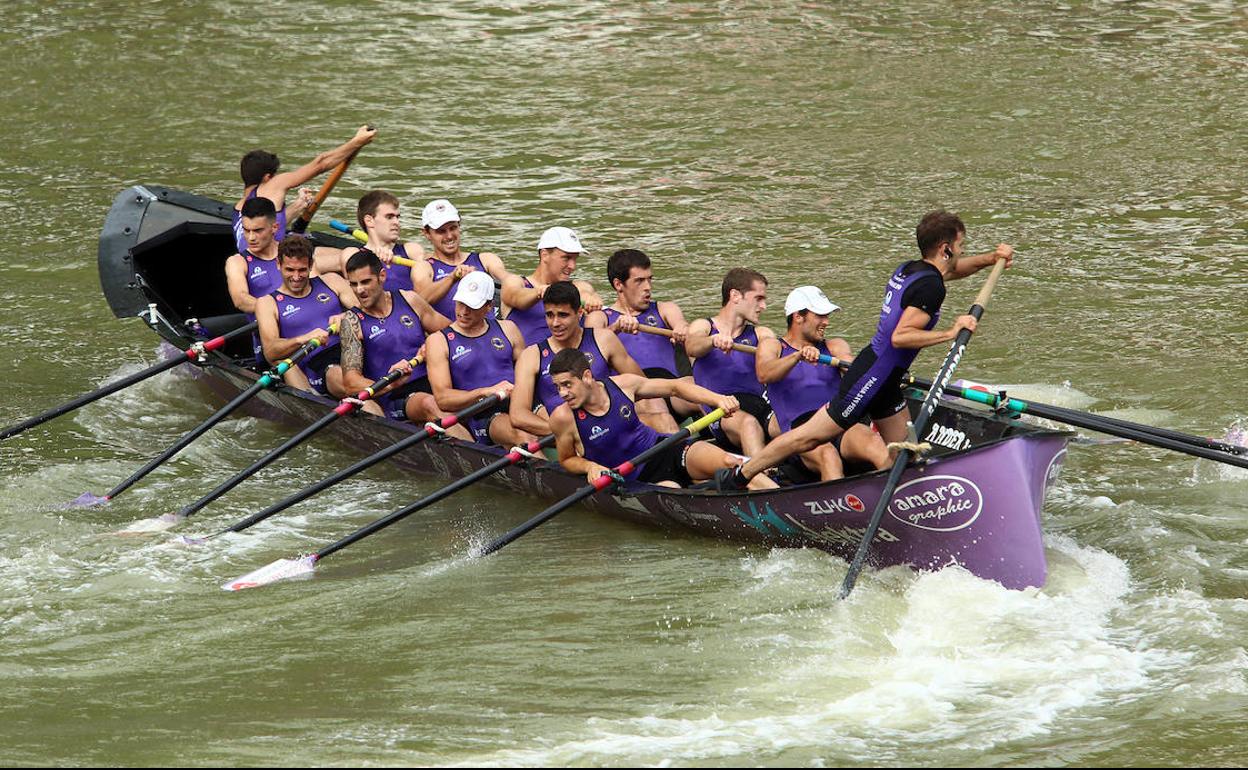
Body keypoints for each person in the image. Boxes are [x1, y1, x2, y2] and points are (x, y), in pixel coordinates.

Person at [718, 210, 1014, 489]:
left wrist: (991, 258)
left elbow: (953, 270)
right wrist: (951, 332)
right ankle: (741, 476)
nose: (963, 252)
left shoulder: (913, 270)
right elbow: (901, 337)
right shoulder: (931, 288)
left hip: (886, 379)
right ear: (946, 249)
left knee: (905, 455)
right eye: (961, 246)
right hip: (871, 377)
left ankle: (900, 504)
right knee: (806, 439)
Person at [547, 349, 776, 490]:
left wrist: (718, 399)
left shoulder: (624, 385)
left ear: (587, 377)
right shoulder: (563, 418)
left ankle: (783, 503)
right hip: (635, 478)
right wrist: (590, 466)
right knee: (675, 492)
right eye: (558, 387)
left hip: (665, 449)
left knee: (732, 464)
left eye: (567, 384)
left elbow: (676, 388)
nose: (563, 394)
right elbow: (566, 459)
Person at [756, 286, 889, 481]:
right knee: (828, 456)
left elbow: (851, 365)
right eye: (820, 315)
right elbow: (764, 373)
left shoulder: (834, 346)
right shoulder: (773, 346)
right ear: (798, 317)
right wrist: (797, 357)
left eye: (827, 315)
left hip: (836, 419)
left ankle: (901, 496)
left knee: (873, 442)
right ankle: (840, 508)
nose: (826, 321)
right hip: (799, 432)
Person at [509, 282, 670, 438]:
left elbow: (642, 385)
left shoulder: (603, 339)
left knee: (664, 420)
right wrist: (567, 433)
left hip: (613, 422)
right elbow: (518, 415)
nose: (555, 323)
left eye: (563, 315)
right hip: (571, 435)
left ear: (579, 313)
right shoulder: (531, 356)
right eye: (549, 315)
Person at [339, 249, 451, 421]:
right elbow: (350, 383)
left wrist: (433, 344)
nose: (359, 290)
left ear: (382, 276)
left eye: (365, 282)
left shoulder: (410, 300)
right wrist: (392, 382)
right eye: (353, 284)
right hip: (396, 396)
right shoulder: (352, 321)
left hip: (434, 382)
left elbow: (452, 332)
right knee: (430, 404)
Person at [425, 271, 535, 446]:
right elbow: (443, 398)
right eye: (460, 303)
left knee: (563, 422)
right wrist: (485, 392)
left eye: (472, 306)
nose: (463, 312)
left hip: (520, 403)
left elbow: (531, 372)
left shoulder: (508, 329)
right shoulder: (439, 341)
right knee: (526, 439)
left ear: (489, 307)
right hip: (483, 413)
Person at [232, 125, 376, 254]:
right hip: (272, 264)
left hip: (254, 263)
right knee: (347, 256)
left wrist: (299, 204)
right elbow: (321, 163)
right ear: (268, 177)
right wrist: (357, 141)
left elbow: (274, 224)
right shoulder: (272, 184)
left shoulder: (239, 209)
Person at [592, 249, 699, 419]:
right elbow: (590, 350)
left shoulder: (665, 308)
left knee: (702, 394)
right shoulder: (600, 318)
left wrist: (683, 329)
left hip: (670, 388)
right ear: (619, 284)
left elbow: (682, 324)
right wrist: (615, 329)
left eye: (650, 279)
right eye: (639, 281)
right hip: (634, 394)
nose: (648, 287)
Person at [685, 268, 776, 457]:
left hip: (759, 405)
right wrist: (713, 341)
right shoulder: (703, 327)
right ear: (735, 295)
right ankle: (759, 479)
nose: (764, 306)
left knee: (793, 425)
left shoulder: (762, 334)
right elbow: (692, 346)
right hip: (722, 412)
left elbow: (777, 365)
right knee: (748, 424)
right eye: (758, 298)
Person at [254, 235, 357, 396]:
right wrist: (304, 338)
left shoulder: (331, 281)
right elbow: (271, 352)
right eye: (290, 270)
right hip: (319, 364)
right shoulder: (267, 303)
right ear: (278, 265)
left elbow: (368, 312)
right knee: (346, 380)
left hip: (352, 349)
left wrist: (348, 316)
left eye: (302, 270)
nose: (296, 277)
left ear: (311, 265)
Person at [500, 226, 604, 346]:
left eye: (575, 259)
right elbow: (516, 297)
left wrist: (590, 299)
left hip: (569, 362)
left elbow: (586, 292)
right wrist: (540, 292)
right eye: (567, 258)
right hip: (528, 361)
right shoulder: (515, 282)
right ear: (545, 255)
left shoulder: (578, 286)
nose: (573, 266)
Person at [411, 199, 511, 319]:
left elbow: (509, 280)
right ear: (427, 234)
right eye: (441, 231)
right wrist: (452, 278)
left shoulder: (487, 259)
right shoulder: (423, 267)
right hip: (449, 335)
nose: (449, 236)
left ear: (459, 226)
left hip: (489, 334)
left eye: (453, 228)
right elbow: (420, 301)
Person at [224, 196, 285, 363]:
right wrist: (282, 310)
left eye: (258, 231)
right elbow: (241, 299)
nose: (250, 238)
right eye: (246, 230)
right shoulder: (237, 262)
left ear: (274, 227)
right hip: (270, 341)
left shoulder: (293, 253)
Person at [336, 191, 426, 292]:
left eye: (397, 217)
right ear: (369, 221)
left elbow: (430, 274)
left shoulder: (412, 250)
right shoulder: (351, 254)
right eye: (389, 217)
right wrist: (374, 258)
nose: (397, 222)